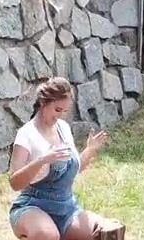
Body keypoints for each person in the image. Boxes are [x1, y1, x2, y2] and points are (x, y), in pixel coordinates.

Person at [7, 77, 109, 240]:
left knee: (105, 231)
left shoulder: (64, 128)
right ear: (43, 103)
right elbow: (14, 182)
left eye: (64, 111)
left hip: (66, 208)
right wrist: (42, 161)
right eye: (57, 110)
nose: (59, 116)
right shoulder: (26, 134)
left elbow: (72, 170)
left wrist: (90, 149)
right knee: (48, 235)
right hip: (33, 205)